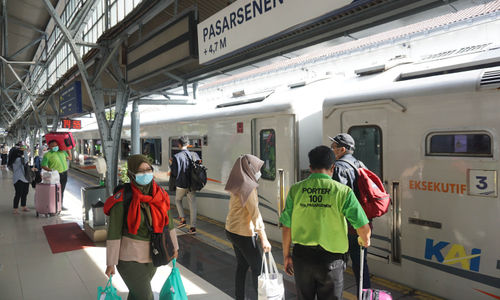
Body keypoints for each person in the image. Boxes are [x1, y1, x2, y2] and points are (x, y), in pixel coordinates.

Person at [280, 145, 371, 300]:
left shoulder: (296, 190)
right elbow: (363, 228)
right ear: (333, 167)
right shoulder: (343, 192)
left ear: (310, 167)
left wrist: (286, 254)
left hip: (302, 258)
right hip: (332, 261)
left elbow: (286, 226)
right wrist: (365, 239)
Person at [104, 154, 178, 300]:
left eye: (148, 170)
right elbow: (114, 233)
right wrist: (111, 262)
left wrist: (174, 247)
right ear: (131, 174)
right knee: (145, 297)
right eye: (140, 171)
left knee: (136, 295)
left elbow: (169, 224)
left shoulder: (160, 195)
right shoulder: (123, 198)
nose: (146, 174)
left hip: (154, 255)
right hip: (129, 258)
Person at [224, 154, 272, 300]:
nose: (259, 172)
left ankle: (240, 297)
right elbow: (254, 213)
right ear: (250, 169)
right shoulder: (248, 187)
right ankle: (261, 297)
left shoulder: (237, 181)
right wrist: (264, 238)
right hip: (243, 233)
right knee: (258, 268)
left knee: (242, 265)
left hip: (231, 229)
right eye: (258, 169)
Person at [330, 133, 372, 290]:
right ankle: (365, 295)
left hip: (346, 226)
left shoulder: (339, 168)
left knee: (338, 264)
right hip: (361, 223)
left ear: (342, 149)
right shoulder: (359, 164)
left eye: (333, 147)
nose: (332, 150)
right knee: (361, 265)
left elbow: (338, 199)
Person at [170, 136, 200, 234]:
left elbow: (174, 173)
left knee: (178, 200)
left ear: (179, 144)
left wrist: (171, 164)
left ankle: (182, 219)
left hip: (181, 184)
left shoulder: (176, 157)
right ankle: (193, 228)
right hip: (193, 184)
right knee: (193, 205)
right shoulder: (194, 154)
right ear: (187, 144)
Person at [41, 140, 72, 209]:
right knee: (55, 190)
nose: (55, 147)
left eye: (56, 145)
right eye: (53, 146)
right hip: (55, 175)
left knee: (62, 190)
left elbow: (70, 158)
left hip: (64, 173)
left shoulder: (62, 152)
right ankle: (54, 205)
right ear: (50, 147)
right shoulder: (47, 155)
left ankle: (60, 205)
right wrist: (51, 170)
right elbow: (43, 165)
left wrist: (68, 150)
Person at [8, 145, 33, 214]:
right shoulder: (17, 160)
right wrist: (25, 150)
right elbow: (26, 160)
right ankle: (15, 208)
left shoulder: (15, 160)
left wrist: (24, 150)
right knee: (19, 193)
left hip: (24, 178)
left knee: (24, 193)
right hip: (19, 179)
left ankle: (23, 206)